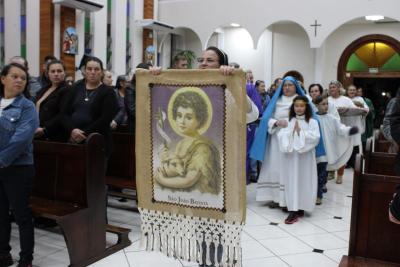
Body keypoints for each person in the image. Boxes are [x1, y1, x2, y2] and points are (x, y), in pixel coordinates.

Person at [250, 76, 325, 209]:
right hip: (276, 140)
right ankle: (275, 197)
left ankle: (291, 199)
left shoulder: (303, 100)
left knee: (291, 170)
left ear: (296, 86)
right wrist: (276, 122)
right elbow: (266, 118)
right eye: (285, 85)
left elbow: (311, 117)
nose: (287, 87)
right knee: (275, 168)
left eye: (290, 85)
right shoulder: (276, 100)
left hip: (295, 141)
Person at [0, 63, 39, 267]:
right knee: (0, 213)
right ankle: (3, 255)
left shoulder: (27, 107)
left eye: (22, 78)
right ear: (3, 78)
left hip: (18, 168)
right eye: (14, 76)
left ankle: (26, 259)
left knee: (21, 215)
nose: (18, 80)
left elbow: (22, 138)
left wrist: (1, 160)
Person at [154, 90, 220, 193]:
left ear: (199, 119)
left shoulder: (203, 148)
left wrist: (162, 180)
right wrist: (165, 159)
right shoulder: (181, 143)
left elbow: (189, 180)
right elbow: (179, 171)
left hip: (200, 196)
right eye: (179, 115)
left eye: (188, 117)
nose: (182, 121)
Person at [60, 56, 119, 157]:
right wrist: (72, 130)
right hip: (73, 139)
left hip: (97, 141)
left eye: (96, 69)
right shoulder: (75, 88)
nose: (92, 72)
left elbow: (105, 119)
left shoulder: (108, 92)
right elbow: (64, 113)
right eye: (89, 69)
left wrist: (83, 133)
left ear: (101, 72)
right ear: (85, 71)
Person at [277, 96, 320, 223]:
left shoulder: (312, 122)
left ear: (306, 107)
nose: (299, 108)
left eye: (302, 106)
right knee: (292, 181)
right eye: (296, 106)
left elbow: (316, 138)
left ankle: (300, 207)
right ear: (293, 107)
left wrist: (301, 133)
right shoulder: (288, 121)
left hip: (305, 159)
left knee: (303, 181)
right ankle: (293, 209)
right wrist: (291, 134)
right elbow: (280, 135)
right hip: (291, 158)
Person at [313, 95, 358, 204]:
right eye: (323, 104)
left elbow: (340, 129)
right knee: (314, 173)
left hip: (325, 151)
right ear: (316, 105)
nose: (326, 106)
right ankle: (314, 192)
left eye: (327, 104)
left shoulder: (332, 118)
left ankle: (319, 196)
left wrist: (350, 130)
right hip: (313, 151)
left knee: (322, 174)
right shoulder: (312, 118)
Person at [327, 81, 365, 183]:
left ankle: (340, 174)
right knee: (331, 152)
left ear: (339, 88)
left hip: (343, 129)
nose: (332, 89)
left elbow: (356, 110)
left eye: (334, 87)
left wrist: (347, 110)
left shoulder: (346, 99)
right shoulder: (327, 100)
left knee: (342, 152)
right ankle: (331, 171)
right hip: (331, 130)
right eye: (330, 88)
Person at [34, 60, 69, 141]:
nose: (56, 74)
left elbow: (62, 114)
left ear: (64, 73)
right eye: (52, 71)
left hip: (52, 134)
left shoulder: (67, 90)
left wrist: (45, 129)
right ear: (48, 74)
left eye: (59, 71)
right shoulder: (43, 89)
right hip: (36, 130)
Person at [344, 85, 369, 169]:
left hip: (356, 124)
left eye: (354, 90)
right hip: (345, 124)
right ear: (347, 91)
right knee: (346, 144)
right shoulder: (344, 99)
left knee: (355, 145)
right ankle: (346, 163)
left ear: (356, 91)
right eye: (350, 90)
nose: (352, 91)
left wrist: (362, 109)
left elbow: (366, 109)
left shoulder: (360, 99)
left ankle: (354, 163)